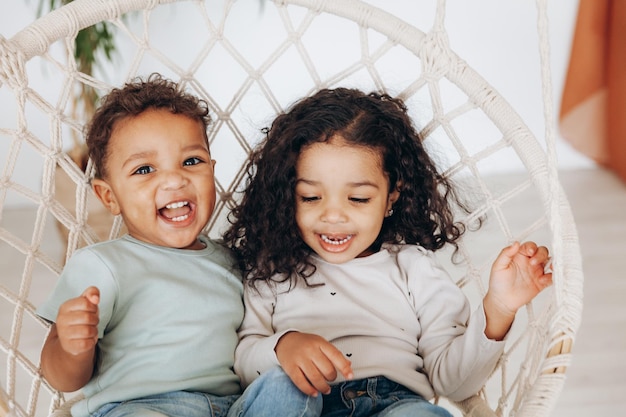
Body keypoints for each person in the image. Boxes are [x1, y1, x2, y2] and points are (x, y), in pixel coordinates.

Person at [223, 87, 553, 417]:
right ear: (288, 196)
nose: (333, 216)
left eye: (358, 199)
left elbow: (454, 383)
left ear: (391, 196)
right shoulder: (274, 270)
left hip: (392, 405)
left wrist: (498, 308)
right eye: (311, 197)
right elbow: (243, 363)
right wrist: (282, 347)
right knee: (280, 389)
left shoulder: (413, 268)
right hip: (303, 402)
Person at [37, 74, 243, 417]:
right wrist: (73, 347)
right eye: (145, 169)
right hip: (139, 408)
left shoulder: (232, 261)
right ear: (109, 196)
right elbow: (62, 378)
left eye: (192, 161)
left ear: (212, 170)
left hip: (231, 408)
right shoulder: (103, 265)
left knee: (287, 390)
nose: (175, 179)